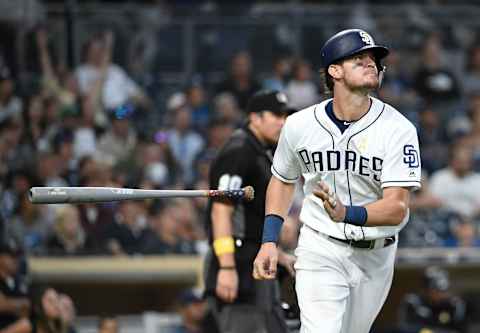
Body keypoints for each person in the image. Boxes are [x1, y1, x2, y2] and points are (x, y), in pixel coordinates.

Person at [253, 28, 422, 333]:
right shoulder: (300, 125)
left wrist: (348, 213)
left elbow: (397, 207)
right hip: (320, 244)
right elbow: (282, 180)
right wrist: (269, 240)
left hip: (376, 254)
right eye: (359, 58)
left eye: (374, 60)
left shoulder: (399, 129)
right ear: (334, 70)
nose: (372, 63)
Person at [204, 90, 295, 333]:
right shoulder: (239, 150)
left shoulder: (260, 151)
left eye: (285, 115)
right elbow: (220, 211)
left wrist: (279, 253)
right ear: (255, 118)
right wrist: (226, 267)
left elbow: (253, 217)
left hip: (255, 260)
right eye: (275, 115)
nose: (282, 121)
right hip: (239, 262)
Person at [397, 266, 468, 333]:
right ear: (426, 290)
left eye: (443, 291)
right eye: (435, 290)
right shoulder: (413, 302)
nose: (440, 294)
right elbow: (407, 327)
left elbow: (457, 327)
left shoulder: (452, 305)